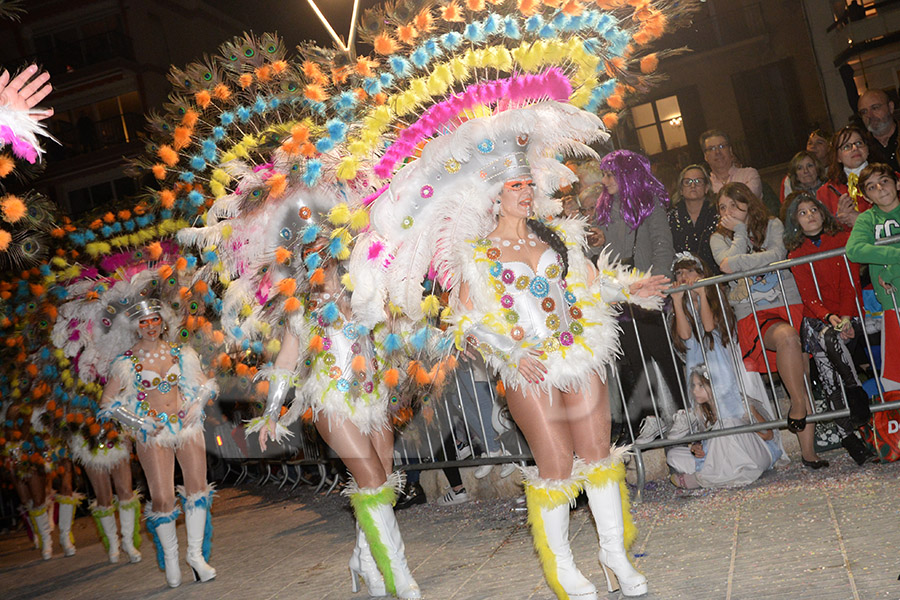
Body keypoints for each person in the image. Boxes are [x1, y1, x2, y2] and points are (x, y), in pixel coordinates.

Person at [100, 286, 217, 588]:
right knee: (162, 497)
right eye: (143, 322)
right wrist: (139, 421)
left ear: (163, 322)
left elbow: (206, 384)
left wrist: (198, 403)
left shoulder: (182, 353)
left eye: (155, 320)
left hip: (186, 425)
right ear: (135, 326)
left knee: (197, 488)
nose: (150, 326)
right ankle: (170, 559)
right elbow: (107, 403)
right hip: (152, 432)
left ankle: (195, 556)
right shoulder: (126, 362)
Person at [710, 182, 828, 469]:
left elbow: (777, 255)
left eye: (734, 204)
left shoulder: (773, 224)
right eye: (722, 207)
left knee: (799, 379)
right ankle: (797, 407)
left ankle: (809, 453)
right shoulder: (718, 237)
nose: (728, 211)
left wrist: (742, 262)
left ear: (748, 203)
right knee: (787, 338)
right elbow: (726, 265)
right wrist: (738, 233)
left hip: (790, 304)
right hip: (754, 313)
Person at [595, 150, 682, 436]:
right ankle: (652, 414)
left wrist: (656, 281)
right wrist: (594, 242)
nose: (605, 180)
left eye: (610, 174)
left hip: (646, 286)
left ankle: (683, 410)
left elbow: (662, 243)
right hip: (620, 291)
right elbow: (601, 251)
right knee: (634, 355)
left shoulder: (649, 203)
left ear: (626, 175)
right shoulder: (604, 209)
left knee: (659, 350)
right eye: (604, 174)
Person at [782, 192, 873, 464]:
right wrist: (829, 316)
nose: (810, 215)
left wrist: (844, 316)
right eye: (802, 212)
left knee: (830, 358)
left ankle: (849, 421)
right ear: (795, 221)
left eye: (814, 210)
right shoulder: (796, 252)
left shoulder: (844, 239)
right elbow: (807, 295)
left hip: (848, 314)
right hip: (817, 320)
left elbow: (850, 282)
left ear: (823, 213)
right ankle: (854, 399)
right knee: (828, 371)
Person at [846, 163, 900, 392]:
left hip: (890, 283)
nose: (880, 188)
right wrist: (896, 254)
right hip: (892, 304)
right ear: (866, 196)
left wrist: (890, 270)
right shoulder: (867, 219)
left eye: (884, 181)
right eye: (871, 186)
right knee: (895, 378)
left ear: (897, 183)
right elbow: (854, 250)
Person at [817, 125, 873, 228]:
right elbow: (826, 232)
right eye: (847, 146)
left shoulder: (889, 178)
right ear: (837, 157)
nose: (855, 148)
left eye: (859, 143)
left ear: (867, 149)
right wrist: (839, 221)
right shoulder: (826, 192)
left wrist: (862, 221)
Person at [668, 163, 720, 275]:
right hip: (684, 280)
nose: (693, 186)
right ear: (681, 189)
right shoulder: (670, 217)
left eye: (698, 181)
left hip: (717, 278)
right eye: (687, 182)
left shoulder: (719, 212)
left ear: (706, 187)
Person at [700, 129, 763, 199]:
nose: (717, 152)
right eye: (711, 149)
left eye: (722, 146)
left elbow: (747, 200)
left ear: (730, 150)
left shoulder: (749, 175)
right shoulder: (704, 186)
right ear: (705, 156)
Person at [858, 89, 899, 172]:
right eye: (864, 112)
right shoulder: (862, 149)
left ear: (890, 107)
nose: (869, 115)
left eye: (875, 108)